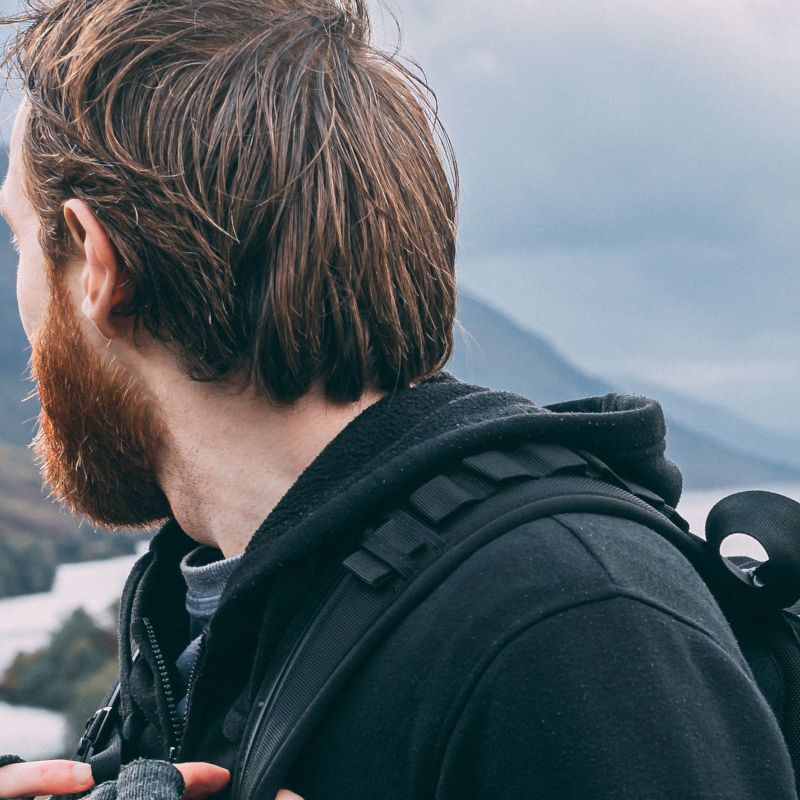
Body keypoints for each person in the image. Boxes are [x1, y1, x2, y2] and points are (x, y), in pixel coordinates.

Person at [0, 0, 796, 797]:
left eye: (18, 242)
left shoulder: (568, 627)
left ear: (98, 264)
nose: (22, 298)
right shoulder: (205, 607)